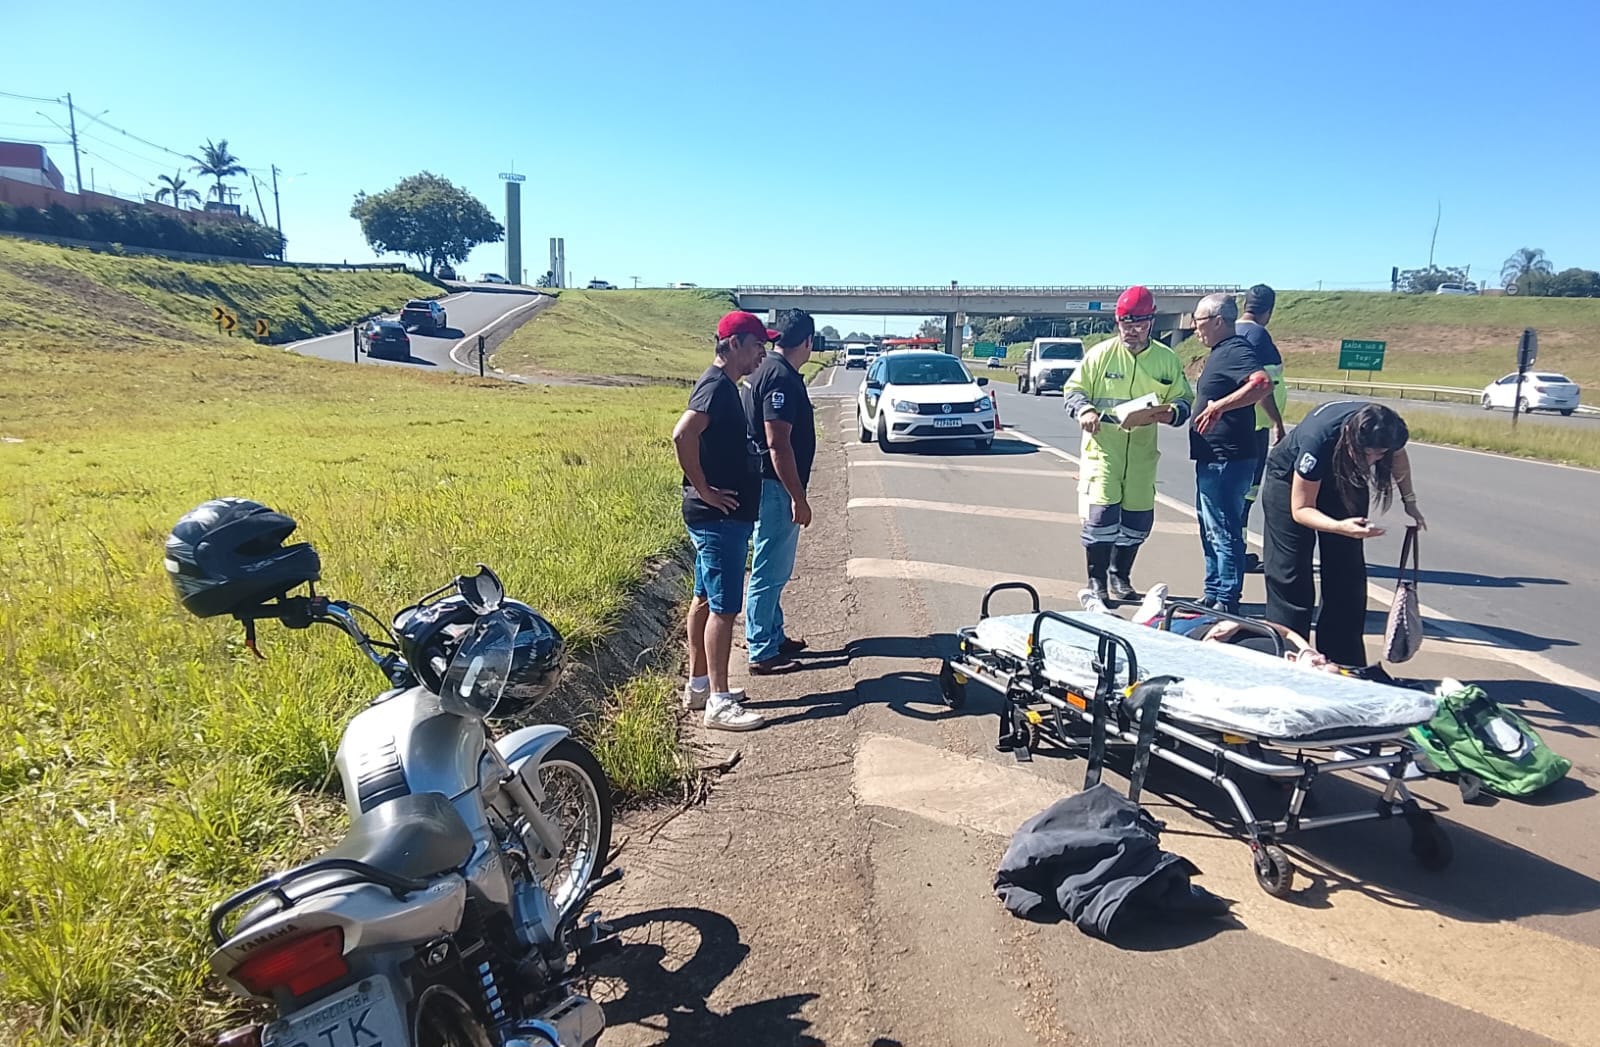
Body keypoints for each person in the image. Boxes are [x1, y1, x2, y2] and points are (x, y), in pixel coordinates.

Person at [1260, 401, 1425, 667]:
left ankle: (1344, 661)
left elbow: (1397, 455)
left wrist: (1410, 502)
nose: (1374, 460)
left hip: (1343, 477)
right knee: (1290, 574)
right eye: (1369, 453)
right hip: (1290, 481)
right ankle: (1289, 657)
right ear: (1353, 439)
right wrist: (1339, 526)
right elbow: (1301, 509)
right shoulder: (1320, 438)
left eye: (1380, 454)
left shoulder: (1385, 428)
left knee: (1347, 574)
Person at [672, 311, 773, 731]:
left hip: (718, 516)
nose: (760, 356)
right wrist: (706, 490)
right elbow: (682, 435)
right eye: (754, 347)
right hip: (719, 518)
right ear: (732, 345)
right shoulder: (715, 387)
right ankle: (718, 700)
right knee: (725, 607)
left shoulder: (727, 387)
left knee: (704, 599)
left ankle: (699, 685)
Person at [1062, 285, 1193, 606]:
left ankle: (1120, 576)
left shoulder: (1166, 359)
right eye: (1125, 324)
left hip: (1142, 455)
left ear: (1152, 322)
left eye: (1139, 324)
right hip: (1103, 450)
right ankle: (1097, 582)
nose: (1132, 331)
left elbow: (1183, 399)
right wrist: (1085, 409)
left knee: (1137, 521)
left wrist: (1171, 412)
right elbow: (1073, 390)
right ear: (1117, 322)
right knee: (1101, 518)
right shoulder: (1101, 355)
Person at [1189, 292, 1274, 613]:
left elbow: (1262, 383)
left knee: (1223, 528)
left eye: (1199, 322)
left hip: (1227, 459)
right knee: (1210, 526)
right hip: (1214, 457)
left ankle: (1226, 598)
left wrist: (1219, 407)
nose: (1196, 328)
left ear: (1218, 321)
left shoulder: (1235, 349)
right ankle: (1213, 593)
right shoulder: (1221, 351)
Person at [742, 308, 816, 675]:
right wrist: (798, 497)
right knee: (769, 568)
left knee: (776, 567)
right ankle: (760, 648)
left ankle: (773, 633)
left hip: (771, 483)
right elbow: (778, 443)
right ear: (807, 342)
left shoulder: (769, 369)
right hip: (776, 485)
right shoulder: (782, 377)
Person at [1235, 284, 1287, 573]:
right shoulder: (1259, 336)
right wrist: (1277, 422)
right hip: (1255, 426)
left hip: (1237, 424)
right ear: (1269, 310)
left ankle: (1233, 552)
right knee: (1246, 494)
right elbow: (1262, 385)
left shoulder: (1232, 330)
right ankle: (1237, 554)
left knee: (1235, 494)